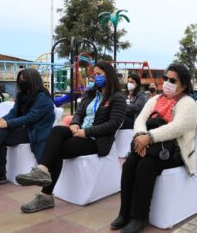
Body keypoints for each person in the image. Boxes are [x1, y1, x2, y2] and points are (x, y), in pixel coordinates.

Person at [15, 61, 127, 213]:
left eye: (100, 74)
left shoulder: (117, 98)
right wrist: (75, 122)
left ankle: (45, 195)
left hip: (96, 140)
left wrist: (87, 132)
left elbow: (113, 124)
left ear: (109, 75)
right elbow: (80, 112)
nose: (96, 77)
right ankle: (42, 169)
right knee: (57, 131)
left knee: (57, 150)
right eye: (95, 74)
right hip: (79, 132)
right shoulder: (91, 93)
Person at [110, 64, 197, 232]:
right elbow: (140, 120)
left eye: (173, 80)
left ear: (184, 85)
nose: (167, 83)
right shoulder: (154, 100)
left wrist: (148, 138)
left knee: (145, 166)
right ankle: (125, 213)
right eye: (165, 79)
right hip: (151, 147)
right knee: (129, 164)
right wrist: (141, 138)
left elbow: (177, 128)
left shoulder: (188, 103)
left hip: (174, 151)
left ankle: (140, 218)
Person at [0, 68, 55, 188]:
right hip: (23, 130)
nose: (20, 81)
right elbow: (13, 114)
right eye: (19, 79)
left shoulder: (43, 97)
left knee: (1, 132)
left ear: (33, 80)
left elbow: (31, 117)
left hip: (35, 133)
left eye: (24, 79)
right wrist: (0, 121)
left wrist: (7, 124)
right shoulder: (22, 95)